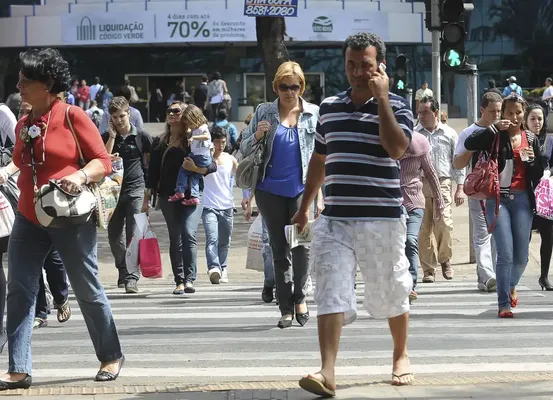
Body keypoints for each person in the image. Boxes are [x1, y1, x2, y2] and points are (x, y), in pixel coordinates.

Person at [293, 33, 415, 396]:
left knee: (391, 286)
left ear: (380, 66)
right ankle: (327, 372)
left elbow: (395, 148)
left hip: (382, 219)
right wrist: (304, 207)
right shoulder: (328, 107)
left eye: (365, 65)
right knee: (330, 287)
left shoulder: (399, 105)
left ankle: (401, 354)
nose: (357, 72)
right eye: (351, 65)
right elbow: (319, 159)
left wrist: (382, 101)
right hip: (335, 219)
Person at [0, 48, 123, 391]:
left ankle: (110, 355)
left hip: (69, 218)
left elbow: (103, 161)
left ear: (48, 84)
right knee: (20, 291)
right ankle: (19, 368)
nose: (19, 84)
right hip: (28, 216)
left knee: (86, 288)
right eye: (20, 79)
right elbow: (20, 164)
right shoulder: (24, 124)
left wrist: (81, 176)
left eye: (27, 80)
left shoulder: (73, 116)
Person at [240, 61, 321, 329]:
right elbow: (244, 148)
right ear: (276, 87)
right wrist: (259, 134)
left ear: (301, 87)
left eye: (294, 86)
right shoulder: (264, 111)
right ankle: (285, 307)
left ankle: (300, 299)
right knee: (279, 250)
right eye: (284, 86)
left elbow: (321, 158)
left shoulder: (312, 114)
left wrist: (318, 196)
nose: (289, 91)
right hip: (268, 191)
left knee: (301, 247)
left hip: (301, 192)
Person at [464, 93, 543, 318]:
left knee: (522, 257)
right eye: (510, 112)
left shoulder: (531, 138)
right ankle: (503, 304)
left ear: (524, 114)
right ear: (503, 113)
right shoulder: (495, 135)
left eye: (519, 113)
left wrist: (532, 162)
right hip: (497, 200)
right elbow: (470, 143)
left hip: (523, 201)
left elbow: (537, 175)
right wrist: (493, 128)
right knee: (505, 253)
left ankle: (509, 285)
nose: (515, 117)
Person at [145, 101, 217, 295]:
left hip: (193, 194)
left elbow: (212, 166)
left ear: (185, 115)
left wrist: (195, 169)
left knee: (188, 232)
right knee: (175, 237)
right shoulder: (160, 141)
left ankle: (189, 279)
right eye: (168, 110)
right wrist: (147, 199)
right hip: (169, 195)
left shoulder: (194, 139)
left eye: (176, 111)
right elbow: (152, 173)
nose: (171, 114)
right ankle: (178, 280)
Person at [103, 96, 153, 293]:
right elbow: (102, 160)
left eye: (122, 116)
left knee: (134, 234)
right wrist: (112, 137)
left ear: (129, 113)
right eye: (114, 117)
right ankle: (122, 270)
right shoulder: (105, 136)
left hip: (136, 189)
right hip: (112, 192)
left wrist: (149, 193)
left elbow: (150, 164)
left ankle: (132, 276)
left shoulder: (141, 136)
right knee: (114, 236)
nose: (119, 120)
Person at [454, 91, 502, 292]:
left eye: (499, 111)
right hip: (478, 190)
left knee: (497, 233)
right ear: (482, 110)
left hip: (500, 190)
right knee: (482, 234)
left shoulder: (502, 130)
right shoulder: (468, 133)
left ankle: (486, 277)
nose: (496, 115)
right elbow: (457, 163)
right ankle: (488, 276)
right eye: (492, 111)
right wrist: (474, 146)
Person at [415, 96, 465, 282]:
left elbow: (458, 162)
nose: (421, 116)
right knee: (423, 228)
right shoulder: (415, 134)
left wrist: (460, 187)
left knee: (444, 223)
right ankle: (428, 269)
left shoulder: (450, 134)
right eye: (419, 112)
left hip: (443, 182)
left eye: (425, 112)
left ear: (435, 112)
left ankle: (445, 260)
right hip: (419, 185)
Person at [400, 131, 444, 302]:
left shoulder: (419, 143)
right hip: (389, 202)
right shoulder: (381, 141)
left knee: (410, 240)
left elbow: (431, 174)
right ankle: (395, 283)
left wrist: (440, 201)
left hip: (413, 200)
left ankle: (411, 285)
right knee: (393, 245)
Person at [201, 126, 238, 284]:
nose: (220, 145)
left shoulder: (230, 159)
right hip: (209, 206)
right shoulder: (204, 159)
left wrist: (248, 198)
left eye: (223, 142)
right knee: (212, 238)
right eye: (217, 142)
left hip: (227, 206)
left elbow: (242, 178)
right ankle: (214, 268)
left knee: (225, 241)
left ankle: (223, 268)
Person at [525, 104, 553, 290]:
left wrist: (548, 172)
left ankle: (544, 276)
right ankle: (513, 274)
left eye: (540, 119)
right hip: (526, 192)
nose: (537, 122)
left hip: (546, 195)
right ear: (526, 120)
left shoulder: (549, 140)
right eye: (533, 118)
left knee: (548, 236)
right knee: (523, 238)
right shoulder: (521, 139)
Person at [168, 105, 212, 206]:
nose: (189, 126)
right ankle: (194, 196)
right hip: (200, 156)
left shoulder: (202, 128)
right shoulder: (194, 130)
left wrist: (194, 137)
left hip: (199, 156)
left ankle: (180, 191)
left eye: (190, 123)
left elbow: (207, 136)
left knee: (183, 171)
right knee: (194, 176)